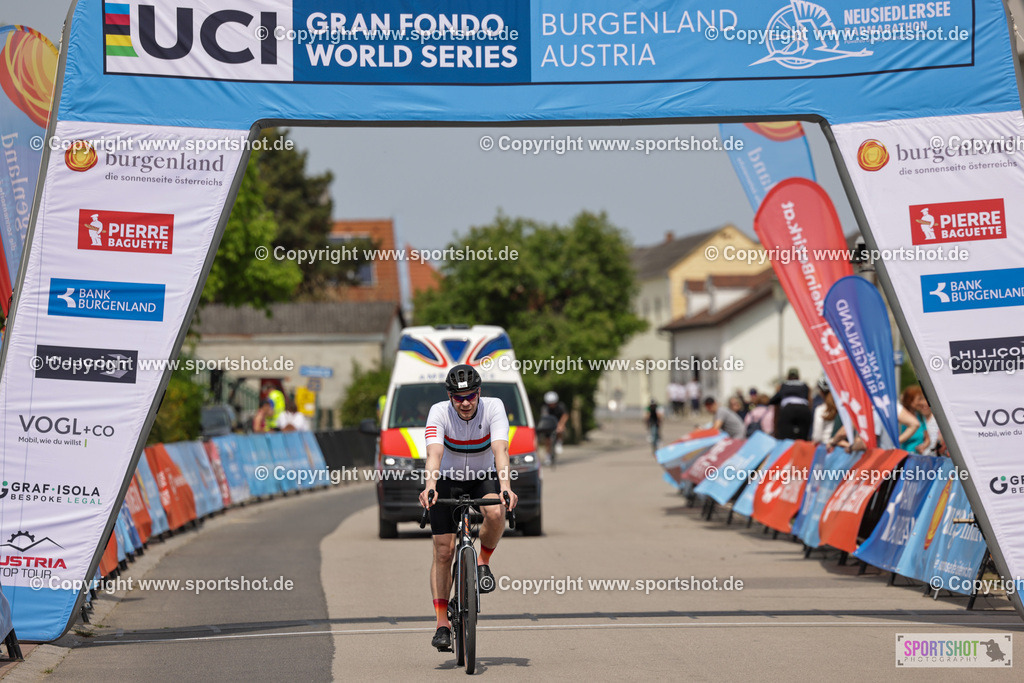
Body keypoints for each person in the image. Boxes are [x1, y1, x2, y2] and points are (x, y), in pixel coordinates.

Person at [419, 364, 518, 653]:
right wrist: (430, 486)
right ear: (449, 396)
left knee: (496, 512)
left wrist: (505, 487)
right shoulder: (439, 412)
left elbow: (501, 450)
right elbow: (434, 454)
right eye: (458, 398)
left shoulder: (494, 408)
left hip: (481, 477)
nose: (465, 403)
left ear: (479, 393)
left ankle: (482, 561)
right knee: (443, 551)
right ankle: (441, 624)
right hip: (447, 479)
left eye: (471, 396)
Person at [769, 368, 812, 440]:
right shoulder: (805, 386)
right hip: (803, 409)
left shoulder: (783, 385)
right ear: (798, 377)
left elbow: (773, 401)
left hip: (788, 410)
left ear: (788, 377)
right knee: (803, 438)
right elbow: (810, 402)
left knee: (785, 437)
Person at [539, 391, 568, 466]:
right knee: (547, 440)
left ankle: (559, 442)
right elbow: (544, 418)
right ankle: (548, 456)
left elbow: (565, 415)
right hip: (549, 423)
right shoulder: (545, 408)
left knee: (560, 429)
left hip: (558, 422)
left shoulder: (560, 406)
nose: (552, 405)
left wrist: (561, 424)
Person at [899, 386, 929, 454]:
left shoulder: (920, 417)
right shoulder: (901, 419)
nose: (922, 402)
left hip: (918, 457)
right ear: (910, 401)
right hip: (904, 456)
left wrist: (923, 446)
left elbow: (927, 439)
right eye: (919, 399)